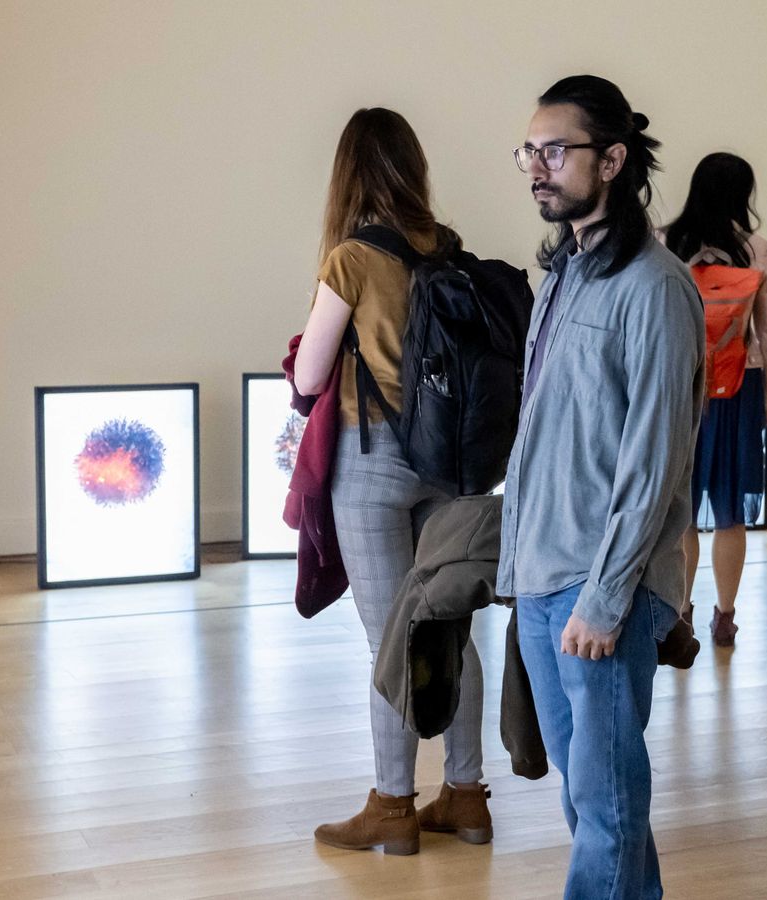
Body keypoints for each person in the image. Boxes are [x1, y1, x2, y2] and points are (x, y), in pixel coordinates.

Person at [500, 74, 703, 899]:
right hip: (544, 575)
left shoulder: (655, 288)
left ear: (612, 161)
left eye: (555, 151)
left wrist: (607, 598)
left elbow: (654, 461)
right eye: (529, 151)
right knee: (592, 801)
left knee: (607, 805)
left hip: (599, 587)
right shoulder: (565, 275)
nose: (537, 168)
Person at [292, 108, 488, 857]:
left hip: (372, 460)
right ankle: (466, 797)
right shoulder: (449, 249)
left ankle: (393, 806)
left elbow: (310, 375)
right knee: (452, 629)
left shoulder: (351, 258)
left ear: (347, 173)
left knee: (393, 639)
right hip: (449, 462)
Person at [661, 152, 767, 648]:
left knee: (681, 508)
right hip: (738, 386)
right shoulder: (754, 248)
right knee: (731, 510)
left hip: (678, 385)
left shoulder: (664, 243)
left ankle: (680, 612)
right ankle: (726, 617)